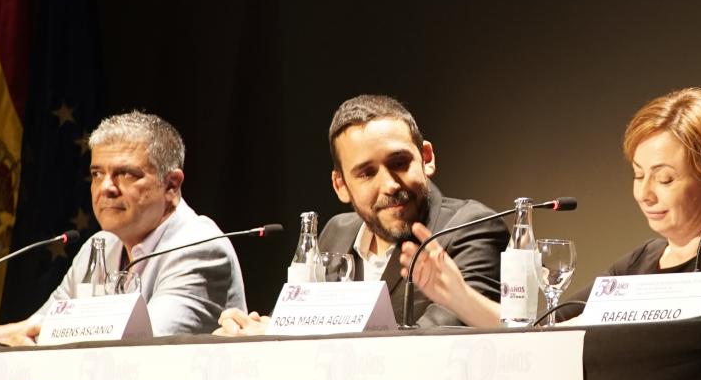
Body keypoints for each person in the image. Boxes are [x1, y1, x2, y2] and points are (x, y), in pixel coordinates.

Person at [402, 88, 701, 326]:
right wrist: (458, 297)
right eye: (639, 175)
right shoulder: (639, 262)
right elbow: (548, 333)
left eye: (665, 178)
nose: (645, 194)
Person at [215, 94, 506, 333]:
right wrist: (254, 334)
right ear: (341, 185)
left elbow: (433, 343)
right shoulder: (336, 232)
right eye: (367, 173)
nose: (390, 185)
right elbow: (298, 323)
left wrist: (277, 336)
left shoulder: (472, 228)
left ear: (426, 158)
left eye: (400, 163)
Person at [0, 111, 246, 343]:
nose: (106, 188)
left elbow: (143, 344)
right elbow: (36, 326)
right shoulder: (99, 247)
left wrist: (43, 336)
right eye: (97, 174)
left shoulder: (199, 246)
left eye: (126, 174)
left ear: (171, 185)